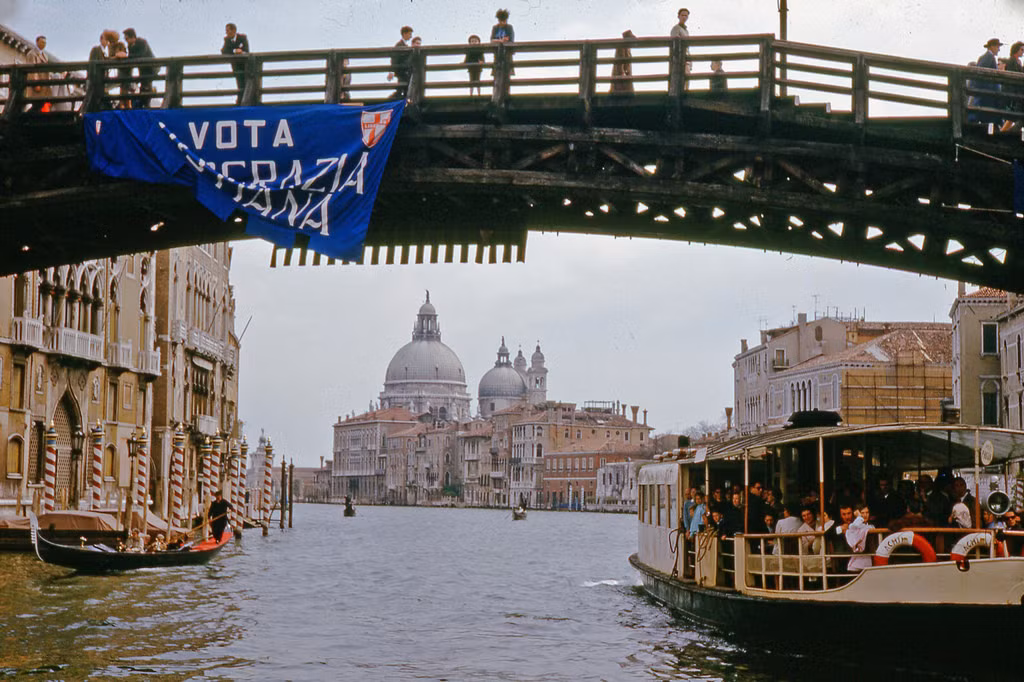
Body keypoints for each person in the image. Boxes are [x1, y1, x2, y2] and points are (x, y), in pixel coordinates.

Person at [124, 28, 155, 109]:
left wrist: (127, 56)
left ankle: (146, 104)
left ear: (132, 37)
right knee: (143, 85)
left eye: (126, 38)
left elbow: (140, 55)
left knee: (147, 85)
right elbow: (132, 58)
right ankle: (143, 103)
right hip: (142, 68)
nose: (126, 40)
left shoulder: (142, 42)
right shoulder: (130, 46)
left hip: (151, 67)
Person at [975, 38, 1003, 125]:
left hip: (985, 91)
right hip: (988, 91)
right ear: (992, 47)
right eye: (998, 47)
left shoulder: (984, 57)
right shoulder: (989, 57)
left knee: (987, 115)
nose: (999, 49)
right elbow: (982, 73)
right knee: (989, 116)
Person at [221, 23, 250, 104]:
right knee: (239, 83)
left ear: (233, 30)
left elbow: (247, 50)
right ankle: (240, 101)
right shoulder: (227, 40)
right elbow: (223, 51)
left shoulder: (242, 38)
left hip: (245, 65)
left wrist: (242, 52)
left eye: (228, 31)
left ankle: (244, 101)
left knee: (246, 83)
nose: (226, 33)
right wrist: (234, 51)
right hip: (236, 66)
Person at [25, 35, 51, 112]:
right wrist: (35, 83)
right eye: (42, 42)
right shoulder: (32, 54)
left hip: (44, 83)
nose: (43, 44)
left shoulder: (45, 56)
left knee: (41, 104)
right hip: (38, 84)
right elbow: (31, 70)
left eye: (45, 43)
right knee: (36, 104)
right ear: (37, 42)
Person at [387, 26, 413, 99]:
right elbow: (394, 58)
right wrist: (391, 71)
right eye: (409, 34)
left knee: (403, 88)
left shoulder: (404, 45)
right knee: (402, 88)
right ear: (404, 34)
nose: (411, 36)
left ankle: (398, 98)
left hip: (404, 71)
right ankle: (394, 99)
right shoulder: (399, 45)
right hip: (402, 71)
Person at [490, 9, 515, 77]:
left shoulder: (509, 27)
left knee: (507, 71)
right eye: (501, 21)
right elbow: (492, 40)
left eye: (504, 21)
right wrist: (501, 41)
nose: (503, 23)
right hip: (497, 52)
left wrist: (498, 40)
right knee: (497, 71)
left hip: (507, 52)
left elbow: (510, 40)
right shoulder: (495, 28)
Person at [611, 30, 635, 95]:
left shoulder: (627, 49)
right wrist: (622, 75)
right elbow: (619, 64)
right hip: (622, 79)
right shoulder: (621, 47)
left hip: (626, 77)